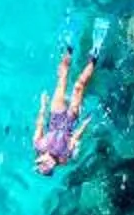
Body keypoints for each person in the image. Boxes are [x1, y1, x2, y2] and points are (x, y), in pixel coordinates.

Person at [33, 20, 107, 176]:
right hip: (70, 122)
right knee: (79, 86)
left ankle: (69, 45)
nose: (52, 164)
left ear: (40, 160)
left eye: (47, 164)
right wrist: (86, 123)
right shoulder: (63, 158)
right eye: (52, 167)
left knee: (62, 79)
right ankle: (95, 54)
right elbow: (75, 137)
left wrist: (43, 105)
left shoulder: (38, 145)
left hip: (55, 116)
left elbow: (40, 123)